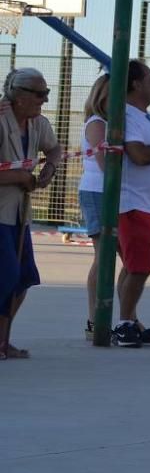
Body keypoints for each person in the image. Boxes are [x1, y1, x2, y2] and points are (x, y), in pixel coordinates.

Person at [0, 68, 62, 359]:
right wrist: (19, 178)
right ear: (19, 95)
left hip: (19, 214)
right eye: (40, 94)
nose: (44, 100)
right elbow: (15, 174)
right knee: (7, 275)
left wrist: (49, 169)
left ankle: (2, 340)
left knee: (23, 276)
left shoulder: (38, 124)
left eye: (47, 93)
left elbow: (54, 150)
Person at [113, 60, 150, 347]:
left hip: (148, 203)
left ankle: (131, 320)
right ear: (135, 84)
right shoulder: (128, 115)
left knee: (133, 265)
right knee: (140, 266)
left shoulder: (145, 115)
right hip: (133, 202)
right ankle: (124, 322)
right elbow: (138, 155)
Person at [77, 74, 109, 341]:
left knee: (113, 256)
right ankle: (94, 318)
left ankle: (120, 316)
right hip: (98, 191)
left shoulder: (111, 122)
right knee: (103, 256)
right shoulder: (98, 123)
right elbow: (104, 163)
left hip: (110, 192)